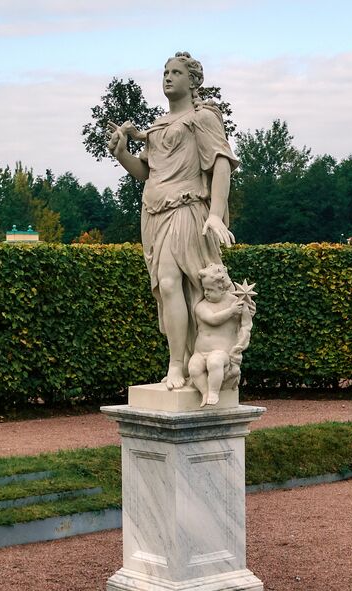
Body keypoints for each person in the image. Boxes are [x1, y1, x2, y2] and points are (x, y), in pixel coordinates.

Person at [108, 52, 237, 390]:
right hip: (153, 212)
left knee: (185, 284)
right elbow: (145, 172)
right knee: (166, 289)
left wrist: (215, 213)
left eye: (176, 72)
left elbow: (221, 163)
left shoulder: (203, 118)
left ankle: (183, 363)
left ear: (193, 81)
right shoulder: (158, 125)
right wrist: (122, 153)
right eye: (165, 72)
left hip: (187, 207)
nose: (167, 77)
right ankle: (180, 362)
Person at [189, 264, 253, 405]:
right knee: (193, 367)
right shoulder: (202, 306)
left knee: (215, 362)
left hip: (222, 352)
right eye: (205, 289)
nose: (206, 293)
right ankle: (205, 392)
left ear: (223, 288)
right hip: (200, 352)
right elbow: (212, 320)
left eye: (210, 290)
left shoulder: (236, 303)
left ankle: (213, 392)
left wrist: (246, 312)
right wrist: (231, 311)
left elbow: (246, 324)